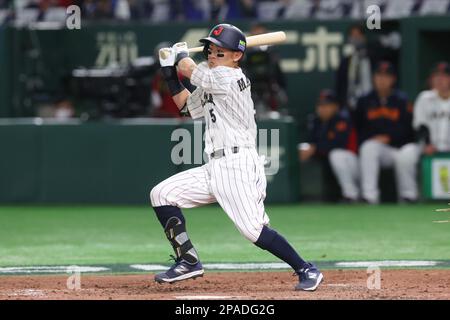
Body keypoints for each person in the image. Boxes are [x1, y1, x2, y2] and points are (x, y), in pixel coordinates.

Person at [149, 24, 323, 291]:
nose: (212, 54)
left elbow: (191, 70)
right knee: (162, 194)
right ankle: (188, 260)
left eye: (220, 51)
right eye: (211, 49)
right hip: (215, 165)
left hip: (237, 164)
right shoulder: (211, 76)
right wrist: (169, 73)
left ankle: (306, 268)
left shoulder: (230, 78)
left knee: (253, 231)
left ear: (236, 56)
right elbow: (187, 106)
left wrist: (179, 57)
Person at [354, 61, 418, 204]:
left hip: (402, 146)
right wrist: (375, 138)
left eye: (386, 76)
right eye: (379, 75)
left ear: (393, 79)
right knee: (368, 147)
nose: (382, 79)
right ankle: (369, 196)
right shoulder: (364, 101)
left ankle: (409, 196)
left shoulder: (402, 100)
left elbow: (409, 129)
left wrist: (389, 137)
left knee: (406, 156)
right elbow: (359, 129)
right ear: (373, 78)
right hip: (381, 149)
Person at [300, 89, 359, 203]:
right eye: (320, 105)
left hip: (354, 163)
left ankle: (351, 195)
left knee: (336, 155)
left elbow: (338, 144)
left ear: (336, 106)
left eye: (327, 105)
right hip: (333, 165)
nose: (323, 109)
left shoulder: (342, 119)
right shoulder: (316, 121)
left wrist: (315, 149)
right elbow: (311, 142)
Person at [241, 23, 288, 116]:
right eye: (255, 34)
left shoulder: (271, 51)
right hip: (250, 85)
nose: (258, 36)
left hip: (269, 86)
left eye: (261, 34)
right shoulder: (245, 51)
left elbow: (278, 73)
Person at [413, 62, 450, 154]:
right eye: (436, 76)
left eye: (444, 76)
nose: (439, 79)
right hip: (428, 148)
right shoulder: (424, 98)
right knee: (407, 154)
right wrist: (427, 144)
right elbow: (421, 125)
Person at [336, 24, 374, 111]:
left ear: (364, 37)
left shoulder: (372, 57)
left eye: (358, 35)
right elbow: (340, 86)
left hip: (372, 102)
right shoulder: (345, 61)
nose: (355, 39)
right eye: (352, 36)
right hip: (351, 104)